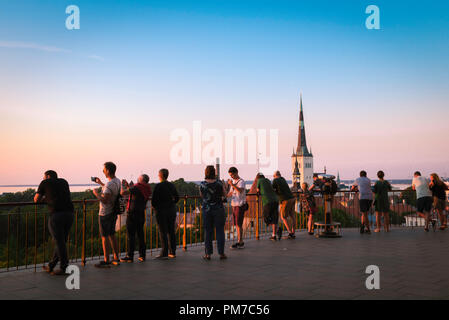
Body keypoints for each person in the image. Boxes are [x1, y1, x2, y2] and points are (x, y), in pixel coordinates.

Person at [34, 170, 74, 275]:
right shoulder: (64, 182)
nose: (43, 178)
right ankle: (51, 265)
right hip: (69, 214)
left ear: (47, 176)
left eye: (43, 177)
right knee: (61, 241)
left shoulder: (45, 183)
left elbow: (36, 199)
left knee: (59, 242)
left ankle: (64, 267)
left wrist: (45, 199)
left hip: (56, 215)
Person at [92, 162, 121, 268]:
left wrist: (96, 194)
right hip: (113, 212)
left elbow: (104, 200)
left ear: (108, 170)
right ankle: (116, 257)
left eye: (104, 169)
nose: (103, 171)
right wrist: (101, 183)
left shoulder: (110, 184)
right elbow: (110, 191)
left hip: (105, 213)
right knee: (112, 235)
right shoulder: (117, 181)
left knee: (104, 237)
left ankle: (106, 260)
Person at [120, 174, 152, 262]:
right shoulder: (147, 188)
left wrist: (121, 186)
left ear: (142, 180)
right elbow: (135, 191)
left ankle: (130, 256)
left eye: (139, 177)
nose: (137, 178)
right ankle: (142, 255)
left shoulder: (138, 187)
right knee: (140, 234)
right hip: (141, 213)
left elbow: (123, 193)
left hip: (132, 214)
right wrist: (128, 186)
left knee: (131, 235)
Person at [199, 165, 227, 260]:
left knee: (208, 231)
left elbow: (202, 196)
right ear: (214, 172)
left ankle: (208, 254)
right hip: (218, 208)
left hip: (207, 209)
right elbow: (225, 194)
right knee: (220, 231)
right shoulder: (219, 183)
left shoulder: (202, 184)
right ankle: (221, 253)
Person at [151, 169, 180, 259]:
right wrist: (172, 203)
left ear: (160, 176)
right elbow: (177, 198)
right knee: (171, 231)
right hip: (171, 210)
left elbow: (154, 201)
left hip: (161, 211)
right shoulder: (171, 185)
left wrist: (155, 208)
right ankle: (172, 251)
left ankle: (164, 251)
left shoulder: (158, 186)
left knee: (163, 231)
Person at [272, 171, 296, 239]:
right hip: (292, 198)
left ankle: (290, 233)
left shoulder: (275, 180)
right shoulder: (283, 179)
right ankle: (293, 232)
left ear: (275, 175)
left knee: (283, 217)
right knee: (292, 216)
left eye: (273, 176)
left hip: (285, 199)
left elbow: (272, 190)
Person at [227, 167, 247, 249]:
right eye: (230, 175)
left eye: (232, 174)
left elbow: (240, 190)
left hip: (240, 205)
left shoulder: (241, 181)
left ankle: (240, 241)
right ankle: (239, 241)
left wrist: (232, 185)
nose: (231, 176)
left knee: (239, 224)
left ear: (236, 173)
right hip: (234, 204)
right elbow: (231, 193)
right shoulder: (234, 182)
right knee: (236, 224)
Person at [256, 173, 280, 241]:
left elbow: (257, 190)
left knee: (266, 217)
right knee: (274, 218)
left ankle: (277, 229)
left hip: (268, 201)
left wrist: (259, 193)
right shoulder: (268, 180)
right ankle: (274, 235)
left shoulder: (259, 180)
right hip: (275, 200)